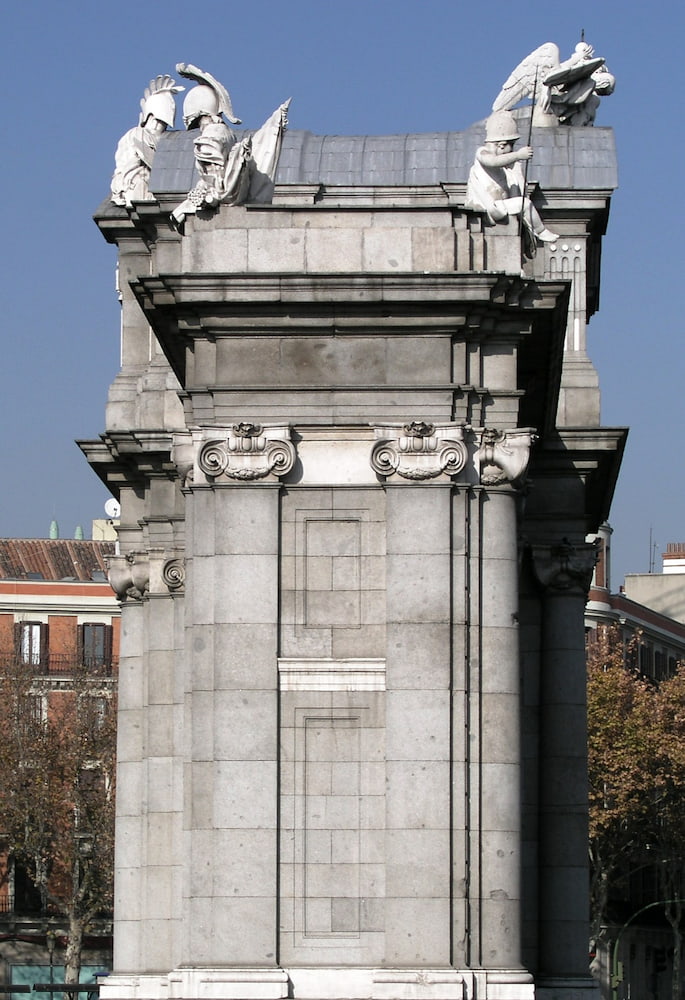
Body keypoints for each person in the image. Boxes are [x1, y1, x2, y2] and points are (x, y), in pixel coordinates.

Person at [465, 111, 558, 244]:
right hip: (491, 207)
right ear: (501, 145)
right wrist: (518, 155)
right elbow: (492, 161)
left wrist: (517, 171)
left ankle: (534, 232)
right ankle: (540, 231)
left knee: (522, 203)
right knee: (525, 204)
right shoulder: (482, 152)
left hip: (500, 205)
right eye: (512, 146)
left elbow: (516, 193)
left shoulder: (505, 169)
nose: (512, 150)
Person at [111, 76, 183, 207]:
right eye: (157, 122)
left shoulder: (165, 141)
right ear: (149, 117)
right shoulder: (136, 134)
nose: (158, 127)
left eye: (163, 124)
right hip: (136, 186)